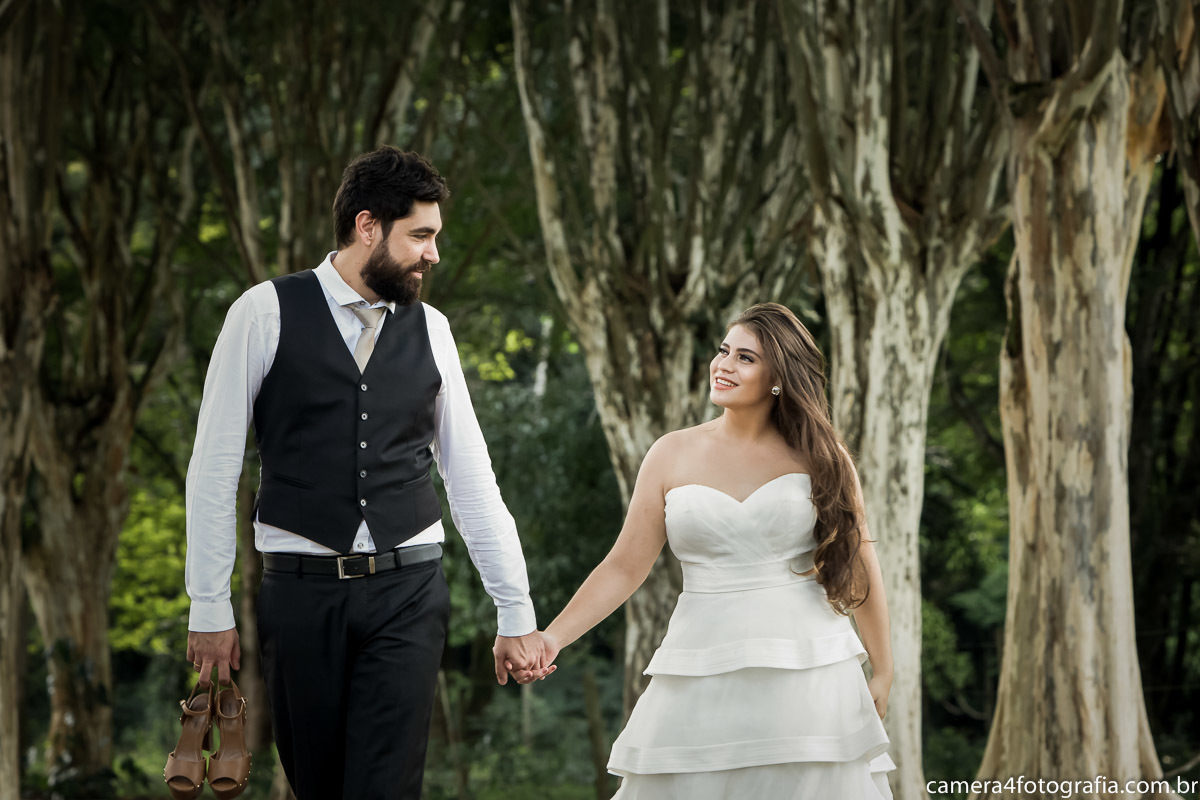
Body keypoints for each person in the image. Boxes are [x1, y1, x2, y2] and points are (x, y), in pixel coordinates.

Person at [182, 146, 544, 800]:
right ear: (367, 226)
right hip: (300, 595)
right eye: (421, 236)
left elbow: (471, 480)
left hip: (409, 590)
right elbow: (213, 471)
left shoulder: (434, 330)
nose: (434, 254)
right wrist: (209, 606)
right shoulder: (262, 314)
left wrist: (514, 608)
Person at [536, 302, 897, 798]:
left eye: (745, 358)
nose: (723, 365)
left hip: (809, 669)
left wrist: (884, 670)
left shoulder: (824, 459)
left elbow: (861, 566)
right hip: (699, 662)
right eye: (724, 351)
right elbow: (623, 567)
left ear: (779, 378)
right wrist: (552, 638)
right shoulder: (670, 453)